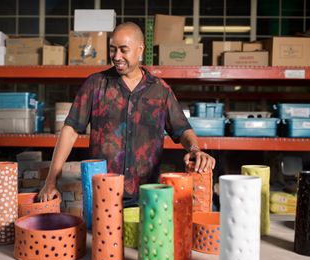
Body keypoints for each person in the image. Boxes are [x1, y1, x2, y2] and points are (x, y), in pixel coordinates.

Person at [38, 22, 215, 203]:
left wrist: (195, 150)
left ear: (140, 50)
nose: (117, 56)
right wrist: (51, 181)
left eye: (124, 50)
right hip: (102, 194)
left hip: (147, 196)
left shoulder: (159, 90)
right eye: (113, 49)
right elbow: (70, 131)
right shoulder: (96, 84)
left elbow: (182, 129)